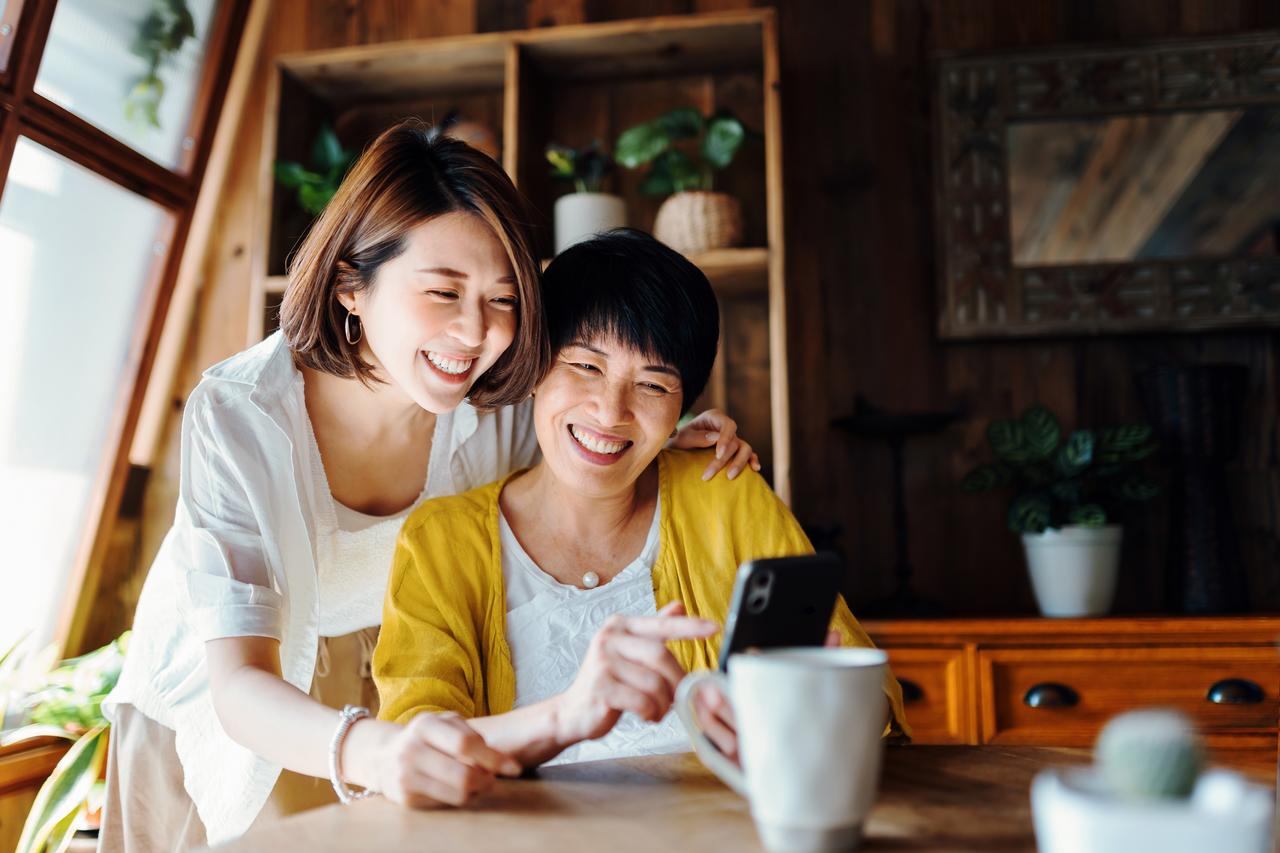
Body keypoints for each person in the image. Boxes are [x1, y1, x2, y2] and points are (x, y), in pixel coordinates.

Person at [100, 123, 757, 851]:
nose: (475, 333)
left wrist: (677, 435)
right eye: (443, 291)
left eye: (503, 299)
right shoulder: (239, 413)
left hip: (394, 693)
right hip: (226, 703)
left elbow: (593, 425)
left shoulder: (495, 403)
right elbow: (239, 684)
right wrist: (373, 748)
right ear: (352, 284)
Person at [374, 229, 909, 771]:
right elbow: (413, 747)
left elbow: (874, 691)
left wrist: (822, 704)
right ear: (534, 366)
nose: (611, 413)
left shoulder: (724, 495)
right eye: (586, 366)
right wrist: (566, 714)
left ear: (683, 403)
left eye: (653, 386)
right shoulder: (439, 542)